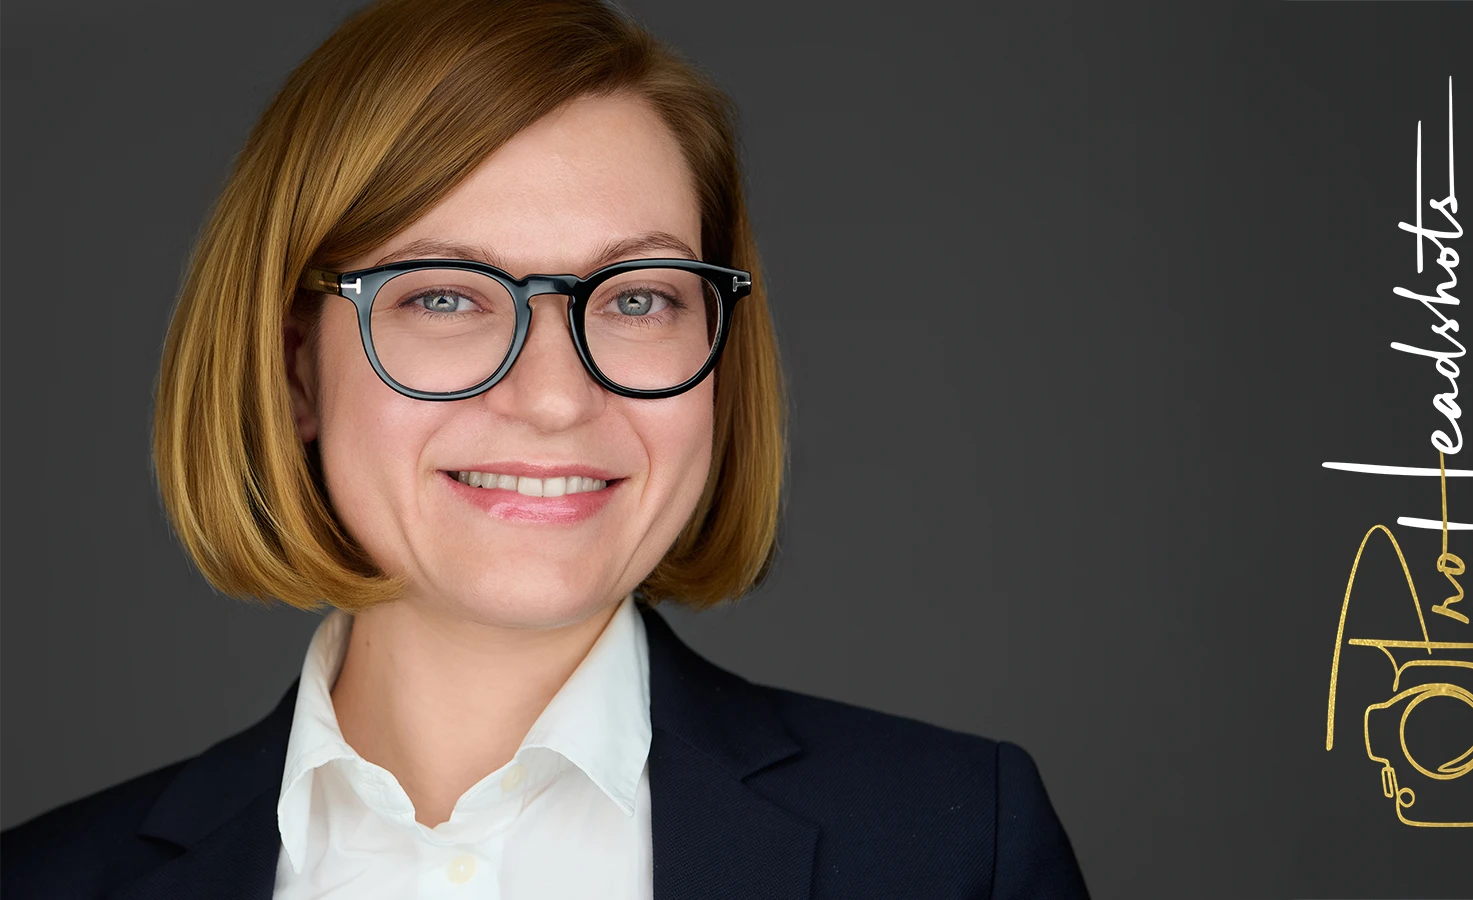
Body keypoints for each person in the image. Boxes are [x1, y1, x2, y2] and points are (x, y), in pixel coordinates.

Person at [0, 0, 1090, 896]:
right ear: (294, 368)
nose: (558, 398)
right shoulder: (45, 883)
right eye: (445, 295)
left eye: (638, 297)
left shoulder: (952, 852)